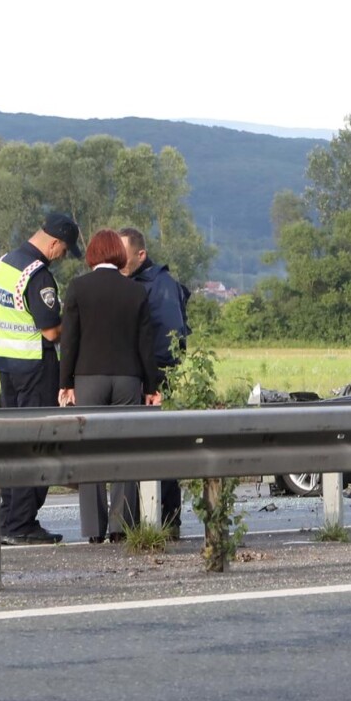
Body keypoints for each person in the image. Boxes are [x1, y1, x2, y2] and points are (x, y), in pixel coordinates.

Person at [58, 229, 163, 543]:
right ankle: (121, 526)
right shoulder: (135, 291)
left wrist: (65, 384)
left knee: (90, 452)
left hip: (89, 378)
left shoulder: (78, 288)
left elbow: (69, 340)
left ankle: (93, 530)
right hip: (128, 379)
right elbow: (146, 343)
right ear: (118, 254)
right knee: (124, 450)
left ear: (92, 255)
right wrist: (151, 386)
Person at [0, 212, 81, 545]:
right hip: (34, 366)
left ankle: (7, 519)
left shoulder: (5, 262)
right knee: (37, 444)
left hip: (7, 365)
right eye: (63, 251)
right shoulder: (38, 275)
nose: (61, 257)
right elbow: (51, 329)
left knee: (15, 446)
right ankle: (21, 524)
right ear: (55, 242)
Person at [118, 227, 191, 536]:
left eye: (123, 257)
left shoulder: (156, 286)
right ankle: (160, 519)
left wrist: (154, 380)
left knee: (159, 447)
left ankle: (167, 520)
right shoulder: (151, 281)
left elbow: (167, 339)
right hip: (150, 373)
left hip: (156, 376)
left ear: (141, 254)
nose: (119, 264)